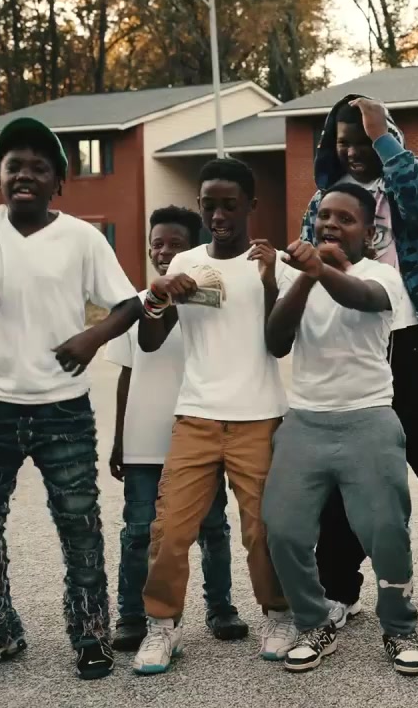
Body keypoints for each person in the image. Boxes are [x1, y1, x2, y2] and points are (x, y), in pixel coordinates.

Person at [0, 117, 143, 679]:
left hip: (64, 408)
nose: (25, 175)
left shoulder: (81, 238)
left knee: (79, 526)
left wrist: (92, 337)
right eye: (14, 166)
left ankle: (90, 635)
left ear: (59, 181)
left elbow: (128, 304)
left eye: (39, 167)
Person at [132, 157, 293, 675]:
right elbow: (150, 341)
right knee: (169, 529)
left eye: (229, 205)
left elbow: (281, 344)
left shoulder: (272, 262)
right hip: (196, 417)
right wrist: (158, 296)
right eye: (209, 206)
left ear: (251, 205)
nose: (218, 216)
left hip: (258, 416)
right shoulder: (185, 262)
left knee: (262, 529)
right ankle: (163, 626)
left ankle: (278, 615)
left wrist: (270, 283)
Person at [299, 93, 418, 625]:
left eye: (363, 141)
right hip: (356, 348)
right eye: (344, 143)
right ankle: (338, 591)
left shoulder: (411, 174)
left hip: (416, 343)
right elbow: (316, 273)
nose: (354, 151)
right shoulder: (324, 199)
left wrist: (383, 138)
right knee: (347, 479)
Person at [263, 184, 418, 674]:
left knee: (385, 531)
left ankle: (399, 629)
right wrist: (306, 276)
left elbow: (364, 298)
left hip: (368, 418)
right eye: (324, 216)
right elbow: (276, 341)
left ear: (369, 233)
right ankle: (314, 624)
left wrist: (320, 269)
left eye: (345, 218)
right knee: (283, 530)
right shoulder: (298, 276)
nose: (331, 224)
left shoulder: (382, 275)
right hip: (305, 421)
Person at [105, 206, 247, 652]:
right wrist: (119, 440)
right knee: (138, 531)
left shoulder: (209, 303)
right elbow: (127, 374)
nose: (164, 252)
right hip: (144, 442)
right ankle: (131, 616)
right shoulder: (135, 303)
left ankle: (220, 607)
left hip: (201, 437)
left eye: (175, 244)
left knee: (212, 528)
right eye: (158, 243)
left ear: (194, 250)